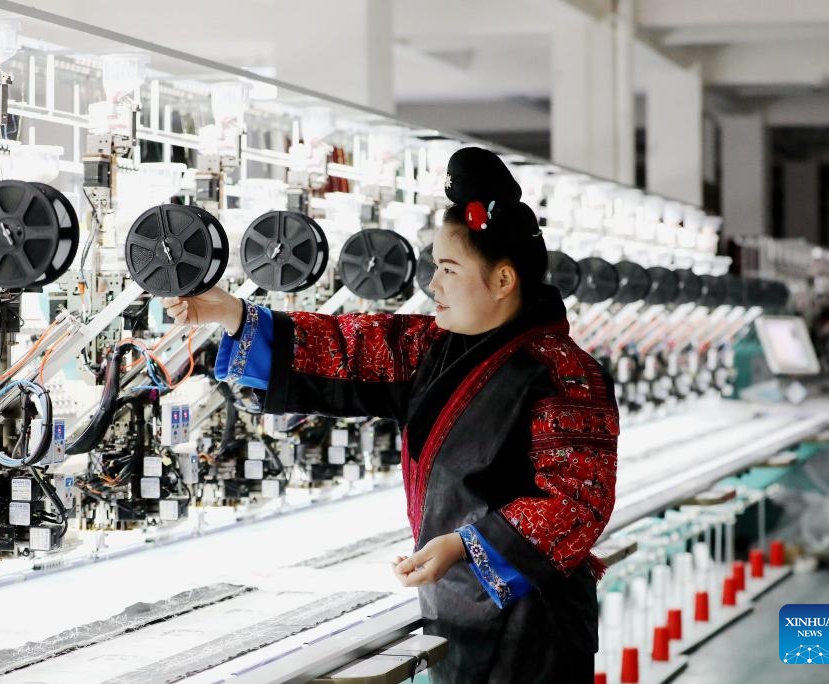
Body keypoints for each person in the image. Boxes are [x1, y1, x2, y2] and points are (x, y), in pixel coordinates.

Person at [163, 147, 619, 683]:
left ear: (503, 280)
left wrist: (464, 545)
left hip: (536, 631)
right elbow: (345, 348)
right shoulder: (432, 349)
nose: (433, 285)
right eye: (434, 267)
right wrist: (232, 313)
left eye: (448, 270)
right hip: (455, 607)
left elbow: (576, 501)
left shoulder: (563, 373)